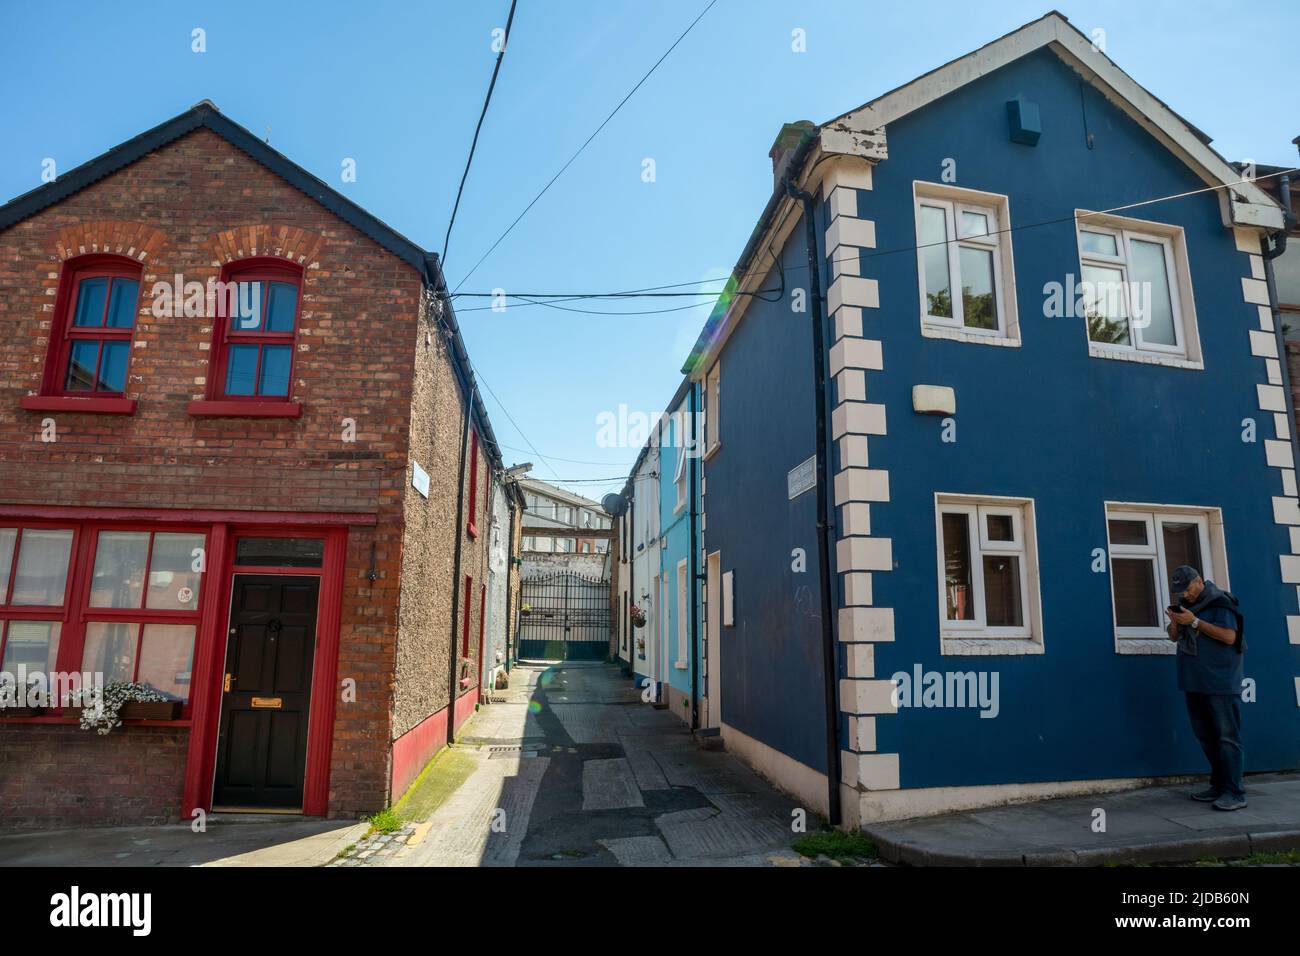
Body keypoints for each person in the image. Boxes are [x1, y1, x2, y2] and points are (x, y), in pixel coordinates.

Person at [1165, 565, 1246, 811]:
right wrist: (1177, 622)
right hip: (1195, 680)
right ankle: (1219, 785)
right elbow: (1172, 637)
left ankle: (1235, 792)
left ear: (1199, 581)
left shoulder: (1220, 602)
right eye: (1181, 592)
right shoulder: (1186, 604)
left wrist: (1196, 621)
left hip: (1220, 681)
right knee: (1205, 735)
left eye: (1188, 590)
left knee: (1227, 737)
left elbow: (1229, 637)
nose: (1185, 596)